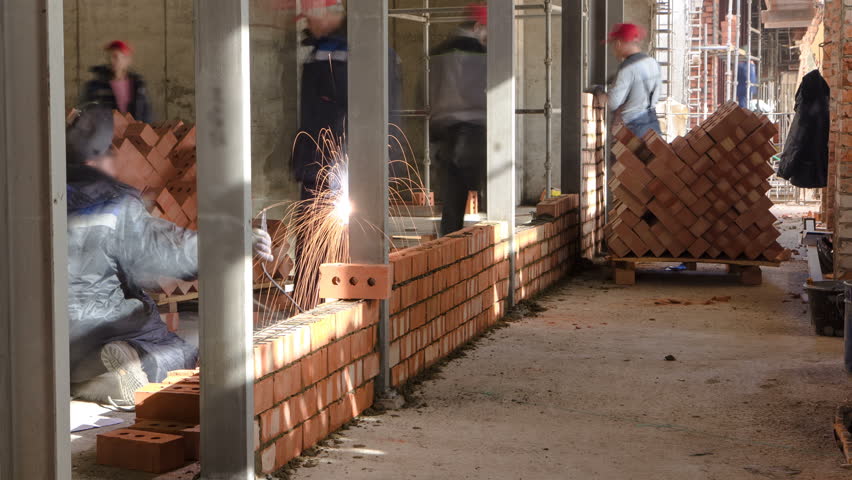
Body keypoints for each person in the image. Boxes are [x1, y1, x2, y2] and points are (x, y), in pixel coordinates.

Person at [67, 106, 273, 408]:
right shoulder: (115, 206)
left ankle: (90, 380)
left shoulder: (29, 198)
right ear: (98, 159)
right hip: (98, 331)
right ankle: (125, 365)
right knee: (179, 350)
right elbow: (170, 251)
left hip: (37, 336)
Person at [291, 0, 402, 203]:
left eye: (310, 17)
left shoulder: (359, 49)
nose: (307, 23)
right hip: (318, 166)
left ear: (328, 13)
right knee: (312, 226)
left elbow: (364, 112)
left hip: (344, 163)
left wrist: (347, 160)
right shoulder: (319, 51)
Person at [430, 3, 487, 236]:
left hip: (444, 132)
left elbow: (427, 91)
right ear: (477, 26)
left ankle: (447, 254)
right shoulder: (482, 54)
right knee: (491, 198)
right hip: (474, 129)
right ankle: (492, 254)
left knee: (452, 204)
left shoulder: (438, 51)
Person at [603, 23, 662, 138]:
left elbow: (613, 102)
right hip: (652, 124)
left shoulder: (627, 67)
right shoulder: (653, 62)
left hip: (634, 129)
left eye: (613, 44)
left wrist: (600, 94)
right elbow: (655, 94)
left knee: (624, 156)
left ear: (618, 43)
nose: (613, 48)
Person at [83, 40, 152, 123]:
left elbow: (146, 112)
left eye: (115, 57)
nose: (111, 60)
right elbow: (87, 111)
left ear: (127, 60)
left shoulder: (138, 84)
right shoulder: (96, 86)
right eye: (109, 57)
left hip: (133, 132)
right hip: (107, 133)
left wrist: (143, 126)